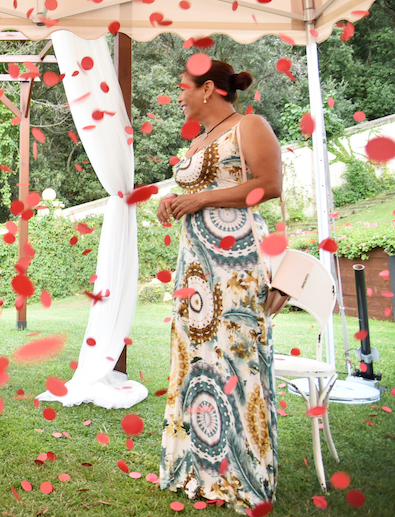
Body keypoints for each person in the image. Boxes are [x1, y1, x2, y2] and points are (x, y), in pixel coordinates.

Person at [157, 60, 282, 513]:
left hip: (237, 263)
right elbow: (198, 192)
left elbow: (268, 185)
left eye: (183, 88)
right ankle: (199, 466)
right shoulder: (196, 141)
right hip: (196, 268)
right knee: (197, 361)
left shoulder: (249, 125)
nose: (180, 96)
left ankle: (244, 473)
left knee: (236, 359)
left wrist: (201, 198)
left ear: (208, 88)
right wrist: (172, 202)